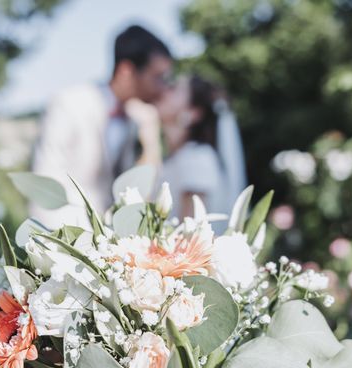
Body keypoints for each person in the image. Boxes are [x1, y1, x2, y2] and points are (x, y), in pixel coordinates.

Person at [31, 25, 172, 229]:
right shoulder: (69, 103)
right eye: (158, 77)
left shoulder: (138, 121)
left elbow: (143, 195)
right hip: (64, 236)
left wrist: (151, 141)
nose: (163, 88)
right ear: (126, 71)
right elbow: (44, 182)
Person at [155, 75, 248, 228]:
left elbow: (189, 232)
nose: (164, 91)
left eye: (174, 89)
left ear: (193, 113)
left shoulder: (196, 158)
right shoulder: (179, 156)